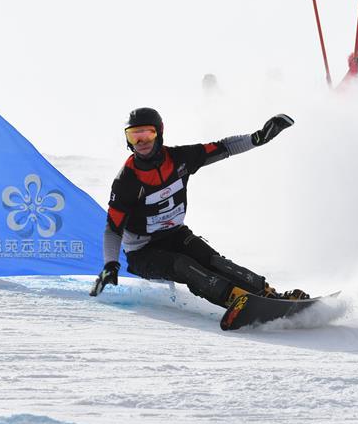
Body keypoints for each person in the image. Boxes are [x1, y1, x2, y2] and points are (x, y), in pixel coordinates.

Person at [90, 107, 309, 307]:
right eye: (134, 136)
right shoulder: (127, 180)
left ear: (159, 133)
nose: (142, 142)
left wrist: (258, 138)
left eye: (147, 134)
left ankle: (270, 294)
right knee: (184, 265)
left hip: (175, 235)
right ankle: (236, 301)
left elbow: (224, 147)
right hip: (142, 252)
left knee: (214, 261)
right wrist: (111, 264)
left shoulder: (179, 159)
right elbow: (113, 228)